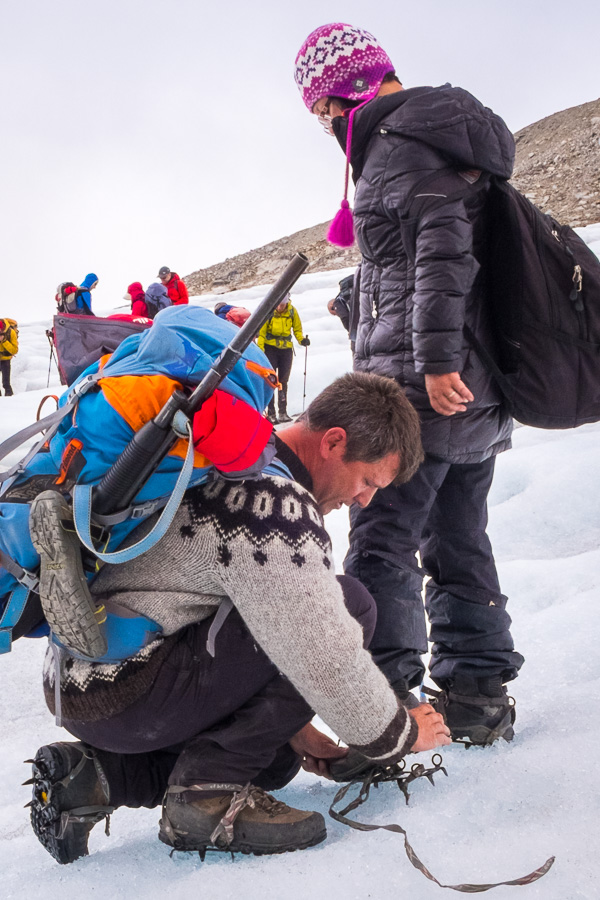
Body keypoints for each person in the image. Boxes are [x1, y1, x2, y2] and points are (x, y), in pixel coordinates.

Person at [28, 372, 450, 864]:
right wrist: (400, 734)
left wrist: (287, 724)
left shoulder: (232, 453)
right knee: (349, 604)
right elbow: (324, 651)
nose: (364, 500)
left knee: (270, 761)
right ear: (334, 442)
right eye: (367, 481)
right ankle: (204, 800)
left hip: (81, 684)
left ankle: (94, 778)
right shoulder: (275, 503)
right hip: (126, 690)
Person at [294, 23, 524, 746]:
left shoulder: (396, 146)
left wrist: (433, 357)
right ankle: (477, 693)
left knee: (384, 535)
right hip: (475, 388)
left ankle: (386, 710)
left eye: (318, 109)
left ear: (340, 93)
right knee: (459, 534)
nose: (322, 125)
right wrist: (363, 302)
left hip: (424, 393)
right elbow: (422, 252)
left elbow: (443, 251)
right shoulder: (439, 138)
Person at [257, 293, 309, 424]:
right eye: (278, 304)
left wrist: (301, 340)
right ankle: (271, 414)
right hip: (270, 349)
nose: (280, 307)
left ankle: (282, 412)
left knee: (283, 381)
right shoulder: (269, 312)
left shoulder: (292, 311)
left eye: (282, 304)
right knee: (270, 381)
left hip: (286, 350)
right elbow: (262, 333)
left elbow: (297, 329)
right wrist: (260, 350)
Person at [0, 318, 18, 396]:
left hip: (5, 359)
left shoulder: (11, 332)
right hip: (4, 360)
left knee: (6, 383)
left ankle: (10, 400)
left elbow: (14, 350)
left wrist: (4, 341)